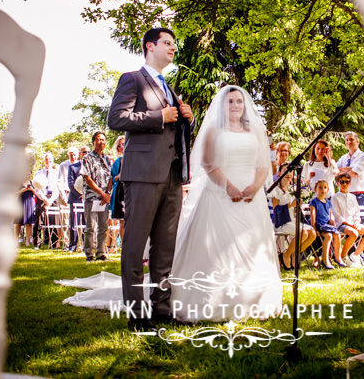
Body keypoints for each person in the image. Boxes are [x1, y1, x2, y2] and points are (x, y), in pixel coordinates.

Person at [170, 85, 282, 322]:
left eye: (239, 102)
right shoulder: (213, 130)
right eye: (230, 102)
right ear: (222, 105)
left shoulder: (254, 132)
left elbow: (263, 165)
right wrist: (228, 186)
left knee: (252, 245)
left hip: (251, 196)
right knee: (216, 250)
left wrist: (254, 186)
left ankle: (254, 298)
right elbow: (208, 165)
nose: (235, 106)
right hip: (219, 195)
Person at [107, 27, 194, 330]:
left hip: (172, 177)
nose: (173, 48)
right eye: (167, 43)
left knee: (164, 248)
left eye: (174, 43)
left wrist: (187, 118)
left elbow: (176, 133)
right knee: (134, 248)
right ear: (149, 46)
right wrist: (159, 117)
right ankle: (136, 316)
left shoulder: (169, 87)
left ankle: (163, 311)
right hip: (142, 175)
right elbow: (116, 118)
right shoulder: (132, 79)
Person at [271, 163, 317, 270]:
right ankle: (286, 255)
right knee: (303, 233)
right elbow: (275, 209)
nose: (288, 173)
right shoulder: (276, 190)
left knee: (312, 234)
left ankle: (293, 253)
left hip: (293, 220)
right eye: (285, 171)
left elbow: (295, 208)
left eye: (290, 171)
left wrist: (299, 204)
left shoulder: (294, 189)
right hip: (281, 222)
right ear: (279, 173)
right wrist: (290, 205)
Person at [80, 132, 112, 262]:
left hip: (104, 199)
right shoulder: (87, 158)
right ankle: (89, 253)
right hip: (92, 197)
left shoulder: (107, 159)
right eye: (99, 140)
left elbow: (110, 177)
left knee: (103, 227)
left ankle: (101, 252)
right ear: (93, 142)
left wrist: (107, 194)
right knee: (91, 227)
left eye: (103, 140)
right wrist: (101, 193)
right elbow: (87, 178)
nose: (101, 142)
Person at [331, 172, 364, 266]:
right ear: (337, 183)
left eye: (347, 182)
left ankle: (355, 255)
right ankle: (342, 257)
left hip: (353, 224)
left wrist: (357, 221)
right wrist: (350, 224)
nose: (344, 184)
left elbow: (357, 212)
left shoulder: (353, 197)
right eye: (342, 182)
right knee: (354, 233)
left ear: (350, 183)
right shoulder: (334, 197)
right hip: (341, 224)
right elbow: (336, 215)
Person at [309, 179, 345, 269]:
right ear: (315, 189)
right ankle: (325, 260)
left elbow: (331, 216)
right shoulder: (314, 202)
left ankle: (337, 257)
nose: (322, 190)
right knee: (328, 236)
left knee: (337, 234)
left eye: (325, 188)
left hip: (326, 225)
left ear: (328, 190)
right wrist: (314, 229)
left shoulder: (328, 202)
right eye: (320, 188)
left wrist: (334, 226)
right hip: (318, 225)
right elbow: (313, 216)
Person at [336, 131, 364, 206]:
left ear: (358, 141)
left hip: (360, 196)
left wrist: (342, 170)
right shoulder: (343, 158)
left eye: (351, 139)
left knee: (361, 217)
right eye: (347, 140)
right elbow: (335, 171)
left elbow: (354, 173)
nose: (349, 142)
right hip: (345, 195)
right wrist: (349, 169)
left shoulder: (363, 156)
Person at [32, 152, 59, 248]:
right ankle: (37, 243)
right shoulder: (38, 173)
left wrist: (50, 200)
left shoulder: (56, 173)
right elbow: (36, 189)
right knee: (39, 221)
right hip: (41, 198)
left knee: (53, 221)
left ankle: (53, 243)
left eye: (50, 159)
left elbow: (57, 188)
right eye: (46, 159)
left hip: (53, 198)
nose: (48, 161)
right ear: (44, 161)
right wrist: (44, 199)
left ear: (53, 161)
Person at [66, 146, 89, 251]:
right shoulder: (73, 167)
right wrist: (80, 194)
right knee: (74, 223)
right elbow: (70, 183)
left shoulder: (92, 166)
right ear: (80, 153)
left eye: (88, 152)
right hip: (75, 198)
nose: (87, 153)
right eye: (84, 152)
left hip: (89, 198)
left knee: (87, 223)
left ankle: (86, 246)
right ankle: (72, 246)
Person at [109, 135, 126, 243]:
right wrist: (120, 175)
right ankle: (124, 246)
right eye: (119, 145)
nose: (122, 147)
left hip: (133, 192)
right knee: (123, 222)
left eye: (124, 144)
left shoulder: (137, 159)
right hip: (121, 193)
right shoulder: (117, 162)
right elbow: (112, 178)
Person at [16, 174, 35, 246]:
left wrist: (32, 190)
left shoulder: (33, 182)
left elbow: (37, 194)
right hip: (20, 202)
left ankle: (27, 240)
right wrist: (23, 190)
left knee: (28, 223)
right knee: (18, 223)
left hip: (29, 202)